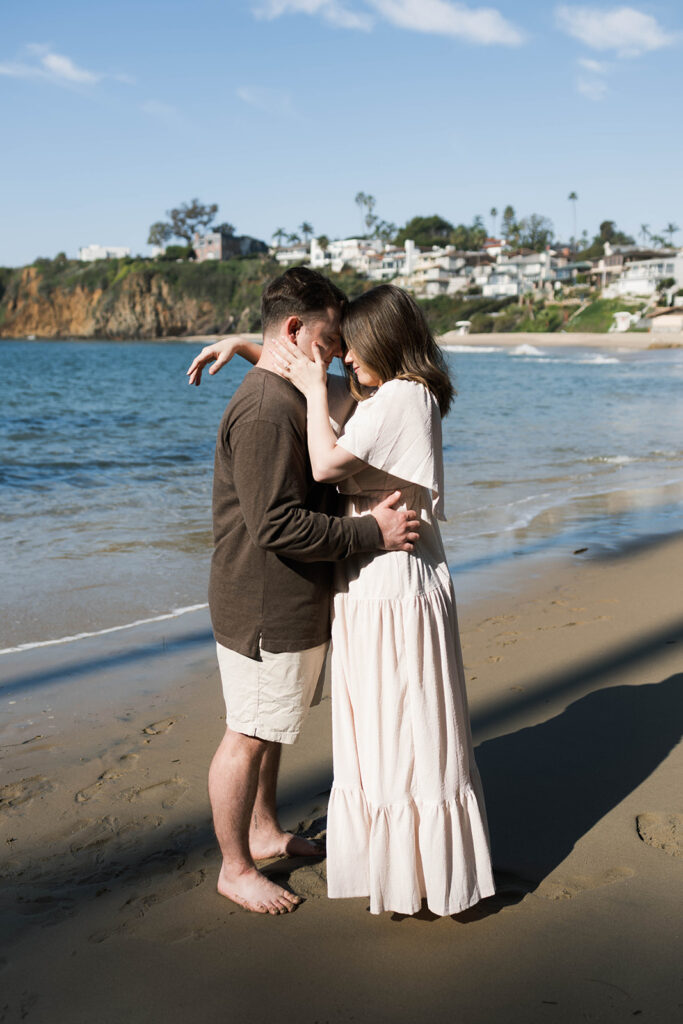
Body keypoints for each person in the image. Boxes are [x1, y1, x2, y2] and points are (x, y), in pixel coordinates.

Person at [190, 268, 420, 917]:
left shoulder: (288, 384)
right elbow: (275, 525)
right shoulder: (265, 409)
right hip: (262, 600)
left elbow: (327, 385)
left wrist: (244, 342)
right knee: (248, 735)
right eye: (331, 332)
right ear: (296, 329)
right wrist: (367, 533)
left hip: (282, 597)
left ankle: (263, 832)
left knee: (271, 727)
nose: (344, 346)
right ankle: (235, 868)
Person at [272, 284, 495, 915]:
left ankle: (420, 875)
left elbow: (323, 464)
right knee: (387, 722)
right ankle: (404, 866)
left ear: (389, 343)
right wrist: (251, 348)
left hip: (393, 581)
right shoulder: (392, 397)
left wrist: (314, 393)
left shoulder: (404, 397)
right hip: (379, 577)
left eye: (354, 348)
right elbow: (345, 401)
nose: (344, 360)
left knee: (403, 722)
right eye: (338, 349)